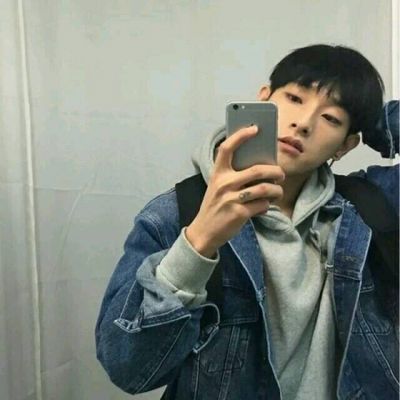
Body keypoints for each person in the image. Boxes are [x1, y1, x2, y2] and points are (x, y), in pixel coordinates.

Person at [95, 44, 399, 399]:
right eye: (294, 98)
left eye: (330, 118)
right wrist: (198, 244)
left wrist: (372, 117)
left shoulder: (369, 207)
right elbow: (128, 368)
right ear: (263, 99)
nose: (303, 123)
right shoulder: (175, 214)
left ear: (345, 146)